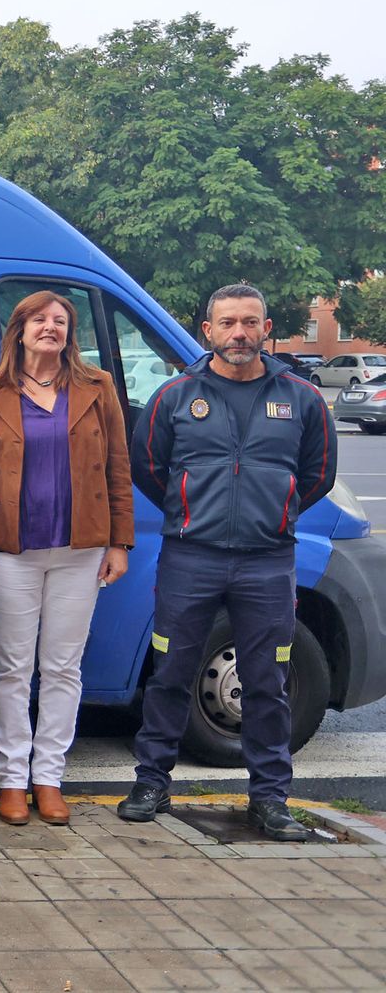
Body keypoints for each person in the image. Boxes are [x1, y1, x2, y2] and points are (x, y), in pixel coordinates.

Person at [122, 283, 336, 841]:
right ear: (208, 331)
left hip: (268, 563)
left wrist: (275, 511)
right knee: (169, 672)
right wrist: (192, 509)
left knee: (267, 681)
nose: (239, 333)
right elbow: (149, 467)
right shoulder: (175, 396)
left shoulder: (302, 398)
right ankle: (151, 783)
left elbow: (318, 475)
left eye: (250, 322)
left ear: (267, 329)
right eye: (227, 323)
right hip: (190, 559)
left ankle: (269, 799)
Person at [0, 291, 133, 826]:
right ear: (19, 330)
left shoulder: (96, 387)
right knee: (11, 668)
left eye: (60, 321)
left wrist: (119, 542)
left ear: (70, 334)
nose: (50, 328)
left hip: (80, 551)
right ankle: (11, 779)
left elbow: (117, 467)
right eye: (39, 320)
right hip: (10, 551)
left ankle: (49, 777)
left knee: (63, 668)